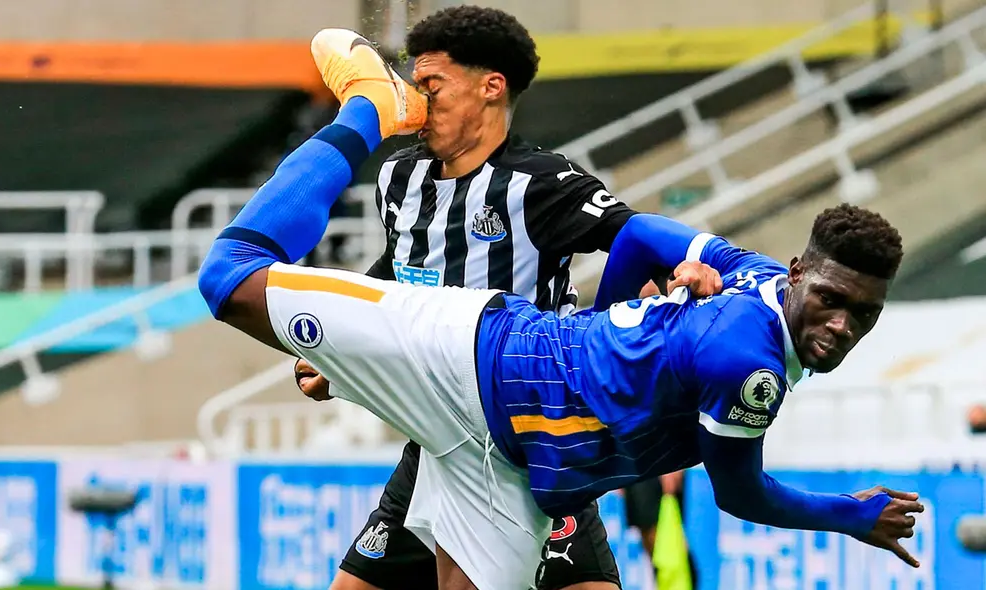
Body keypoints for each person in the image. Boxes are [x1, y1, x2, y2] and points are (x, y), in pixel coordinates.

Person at [197, 22, 925, 590]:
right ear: (800, 275)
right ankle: (365, 108)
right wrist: (850, 515)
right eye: (831, 300)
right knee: (230, 278)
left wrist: (605, 321)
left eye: (862, 314)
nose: (841, 324)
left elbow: (637, 234)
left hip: (522, 463)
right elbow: (742, 493)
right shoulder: (751, 369)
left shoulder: (752, 274)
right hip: (473, 358)